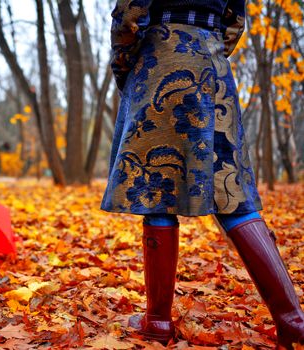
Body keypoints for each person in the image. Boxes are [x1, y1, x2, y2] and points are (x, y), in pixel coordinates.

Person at [100, 0, 304, 348]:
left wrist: (125, 66)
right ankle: (293, 322)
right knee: (231, 190)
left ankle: (159, 322)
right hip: (213, 67)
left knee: (157, 187)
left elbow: (129, 15)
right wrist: (206, 47)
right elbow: (235, 21)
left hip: (159, 59)